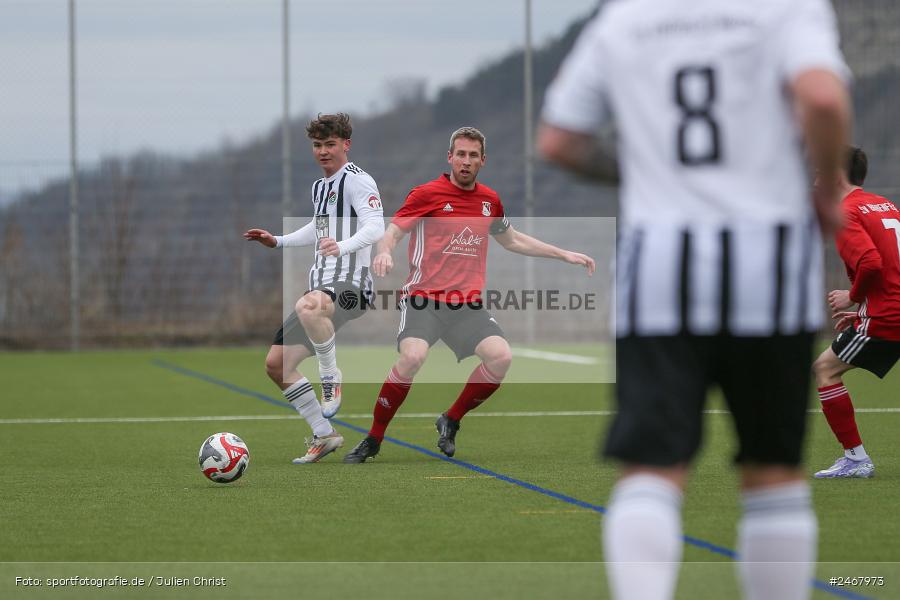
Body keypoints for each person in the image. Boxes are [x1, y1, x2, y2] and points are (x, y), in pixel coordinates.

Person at [537, 1, 851, 599]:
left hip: (659, 272)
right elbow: (825, 98)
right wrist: (829, 187)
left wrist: (650, 170)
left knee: (652, 471)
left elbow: (558, 141)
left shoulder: (625, 18)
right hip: (770, 272)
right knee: (774, 474)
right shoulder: (785, 8)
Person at [342, 126, 595, 463]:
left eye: (472, 156)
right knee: (413, 357)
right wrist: (384, 252)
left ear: (482, 161)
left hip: (466, 306)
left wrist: (563, 254)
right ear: (450, 157)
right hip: (423, 301)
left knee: (501, 358)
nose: (465, 161)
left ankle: (451, 419)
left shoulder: (489, 201)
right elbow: (393, 232)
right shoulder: (426, 194)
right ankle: (373, 438)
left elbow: (513, 239)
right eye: (460, 154)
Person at [244, 113, 384, 463]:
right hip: (321, 289)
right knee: (277, 366)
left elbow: (375, 227)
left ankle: (329, 375)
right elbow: (317, 229)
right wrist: (276, 240)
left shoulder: (358, 181)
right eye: (318, 145)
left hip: (352, 287)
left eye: (330, 144)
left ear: (346, 144)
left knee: (309, 306)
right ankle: (324, 435)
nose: (323, 151)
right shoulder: (320, 187)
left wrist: (343, 246)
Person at [812, 147, 900, 479]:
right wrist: (865, 310)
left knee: (825, 369)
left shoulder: (846, 212)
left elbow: (872, 263)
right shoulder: (884, 205)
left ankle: (855, 459)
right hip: (889, 309)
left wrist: (853, 297)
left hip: (889, 315)